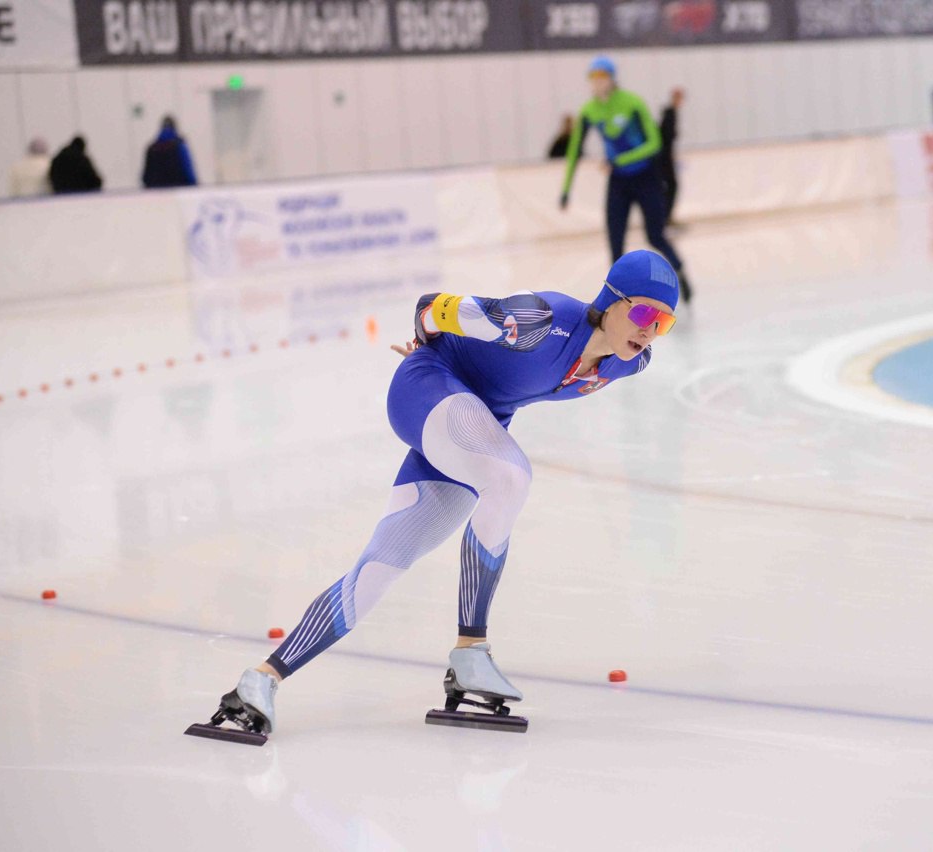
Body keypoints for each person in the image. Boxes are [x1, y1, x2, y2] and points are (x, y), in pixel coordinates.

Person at [202, 249, 681, 738]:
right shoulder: (539, 320)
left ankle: (259, 681)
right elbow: (432, 306)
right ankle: (471, 651)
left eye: (663, 323)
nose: (650, 330)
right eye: (645, 313)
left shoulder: (629, 363)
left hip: (473, 424)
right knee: (510, 478)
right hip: (427, 388)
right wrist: (426, 343)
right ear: (610, 300)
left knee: (383, 563)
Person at [559, 56, 693, 304]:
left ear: (612, 78)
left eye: (602, 76)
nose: (598, 82)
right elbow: (574, 150)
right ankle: (615, 299)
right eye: (593, 77)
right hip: (618, 182)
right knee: (615, 242)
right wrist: (566, 189)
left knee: (655, 236)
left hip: (646, 177)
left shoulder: (631, 103)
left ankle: (680, 272)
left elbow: (654, 143)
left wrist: (620, 159)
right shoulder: (589, 111)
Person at [142, 115, 198, 188]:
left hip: (156, 191)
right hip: (178, 190)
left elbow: (146, 177)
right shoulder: (179, 145)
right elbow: (188, 172)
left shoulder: (152, 148)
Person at [658, 88, 685, 226]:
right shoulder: (670, 113)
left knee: (669, 186)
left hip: (665, 155)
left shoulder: (671, 112)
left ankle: (666, 216)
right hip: (664, 157)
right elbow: (665, 136)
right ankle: (665, 216)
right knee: (671, 186)